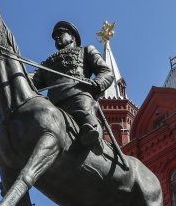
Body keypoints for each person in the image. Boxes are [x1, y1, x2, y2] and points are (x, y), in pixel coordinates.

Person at [31, 21, 114, 155]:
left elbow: (106, 72)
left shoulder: (86, 50)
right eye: (54, 36)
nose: (57, 37)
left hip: (78, 94)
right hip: (53, 104)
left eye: (60, 33)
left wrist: (97, 83)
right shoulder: (48, 63)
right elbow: (31, 79)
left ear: (72, 37)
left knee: (83, 111)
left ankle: (94, 136)